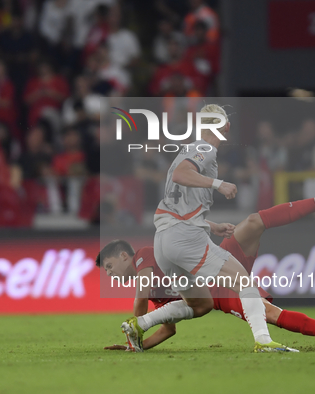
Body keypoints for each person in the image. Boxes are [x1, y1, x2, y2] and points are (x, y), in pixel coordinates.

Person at [98, 173, 315, 351]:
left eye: (109, 266)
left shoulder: (145, 255)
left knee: (253, 222)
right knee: (270, 314)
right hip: (218, 291)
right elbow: (168, 331)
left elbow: (140, 297)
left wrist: (135, 331)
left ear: (124, 256)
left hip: (217, 260)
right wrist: (137, 346)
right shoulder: (156, 293)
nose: (110, 274)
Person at [121, 105, 295, 353]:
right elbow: (182, 174)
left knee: (200, 303)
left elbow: (181, 201)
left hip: (164, 240)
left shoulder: (188, 150)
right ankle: (263, 342)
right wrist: (219, 184)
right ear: (226, 127)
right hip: (185, 238)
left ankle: (140, 324)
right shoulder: (205, 150)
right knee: (245, 284)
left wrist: (211, 225)